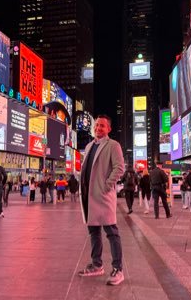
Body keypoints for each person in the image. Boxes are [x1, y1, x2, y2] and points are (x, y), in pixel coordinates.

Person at [78, 115, 125, 286]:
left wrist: (107, 185)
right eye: (97, 125)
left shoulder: (113, 145)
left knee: (112, 232)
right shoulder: (90, 145)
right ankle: (97, 265)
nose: (98, 128)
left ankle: (118, 269)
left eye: (102, 126)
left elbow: (120, 167)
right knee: (94, 232)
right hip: (89, 196)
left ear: (109, 129)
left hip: (103, 195)